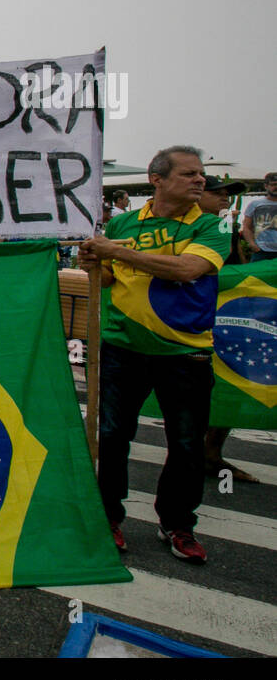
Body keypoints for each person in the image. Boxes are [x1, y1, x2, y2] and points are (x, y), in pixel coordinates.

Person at [78, 145, 230, 565]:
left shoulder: (212, 226)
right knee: (110, 438)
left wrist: (116, 252)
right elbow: (108, 278)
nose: (200, 180)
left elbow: (187, 271)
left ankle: (178, 524)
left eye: (201, 174)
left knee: (185, 444)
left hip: (185, 352)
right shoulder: (123, 223)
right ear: (157, 179)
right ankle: (109, 518)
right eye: (189, 174)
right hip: (122, 347)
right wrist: (91, 259)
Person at [196, 176, 259, 484]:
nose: (224, 199)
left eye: (227, 195)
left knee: (230, 385)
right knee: (197, 387)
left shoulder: (226, 228)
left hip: (230, 317)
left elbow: (240, 267)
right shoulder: (184, 229)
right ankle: (192, 451)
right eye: (217, 193)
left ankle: (211, 452)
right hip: (195, 321)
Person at [241, 171, 277, 263]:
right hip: (262, 251)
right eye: (273, 184)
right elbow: (246, 227)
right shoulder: (255, 204)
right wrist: (252, 244)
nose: (276, 187)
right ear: (266, 186)